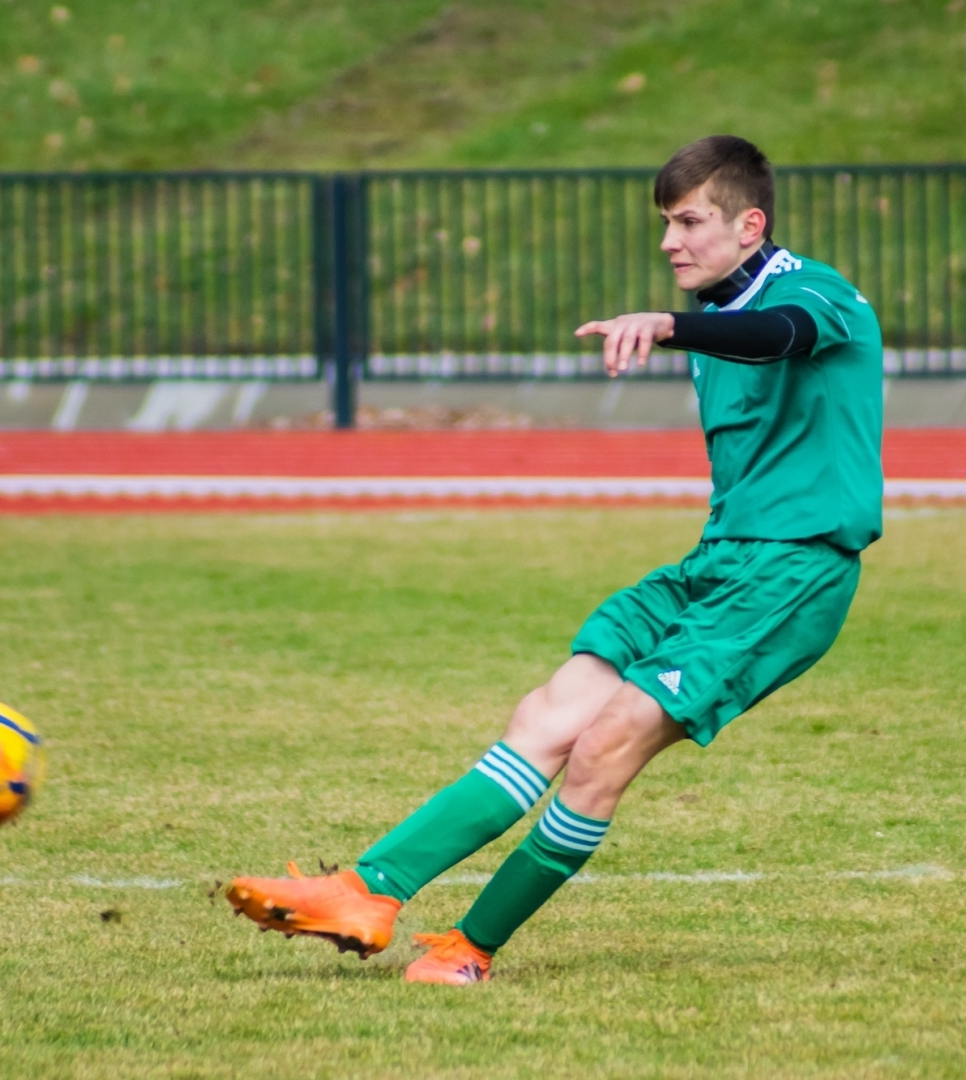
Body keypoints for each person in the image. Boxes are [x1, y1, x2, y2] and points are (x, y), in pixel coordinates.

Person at [226, 135, 884, 984]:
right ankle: (366, 889)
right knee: (546, 714)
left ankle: (469, 949)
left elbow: (781, 334)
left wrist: (670, 326)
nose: (669, 242)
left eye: (689, 222)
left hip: (793, 573)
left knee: (605, 744)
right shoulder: (720, 318)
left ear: (749, 224)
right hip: (718, 560)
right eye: (666, 223)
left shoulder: (816, 296)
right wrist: (691, 327)